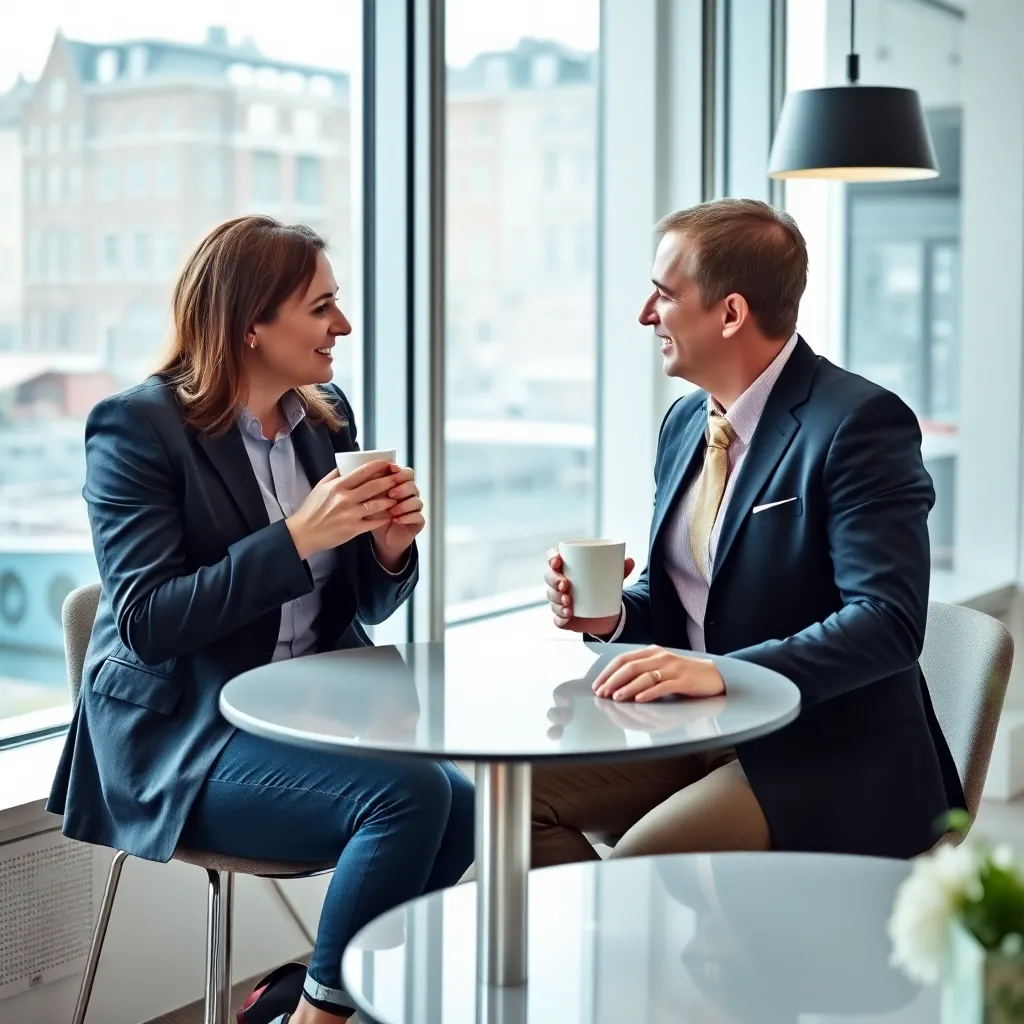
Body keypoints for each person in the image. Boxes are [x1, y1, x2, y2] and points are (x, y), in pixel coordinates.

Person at [47, 215, 474, 1024]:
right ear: (251, 324)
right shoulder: (137, 428)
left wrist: (385, 551)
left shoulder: (325, 415)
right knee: (411, 797)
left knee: (463, 802)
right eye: (321, 309)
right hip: (188, 734)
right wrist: (297, 537)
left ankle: (310, 1000)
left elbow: (360, 605)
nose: (342, 326)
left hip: (310, 713)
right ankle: (315, 1017)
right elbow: (143, 619)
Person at [537, 197, 964, 865]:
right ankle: (639, 962)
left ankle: (666, 954)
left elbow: (887, 621)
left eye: (663, 296)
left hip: (823, 751)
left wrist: (726, 673)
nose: (646, 316)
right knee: (506, 809)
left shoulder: (859, 425)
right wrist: (613, 618)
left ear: (731, 313)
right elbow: (689, 600)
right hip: (692, 732)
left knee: (634, 871)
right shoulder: (685, 424)